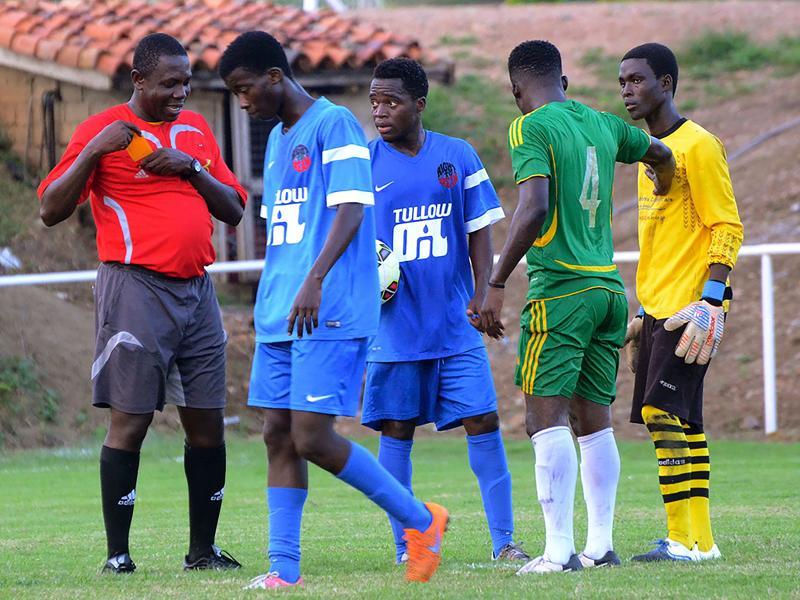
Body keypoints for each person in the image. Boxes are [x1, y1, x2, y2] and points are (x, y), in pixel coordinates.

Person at [219, 31, 448, 589]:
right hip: (282, 311)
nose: (242, 102)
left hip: (331, 308)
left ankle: (423, 521)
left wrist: (314, 280)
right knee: (277, 433)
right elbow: (284, 232)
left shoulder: (336, 123)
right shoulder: (277, 140)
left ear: (275, 76)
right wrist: (271, 295)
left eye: (246, 89)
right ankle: (284, 570)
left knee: (313, 437)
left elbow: (349, 208)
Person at [37, 33, 247, 573]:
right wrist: (92, 151)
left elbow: (234, 211)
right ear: (138, 81)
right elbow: (51, 209)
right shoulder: (103, 131)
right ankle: (118, 556)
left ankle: (202, 552)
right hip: (134, 290)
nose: (182, 92)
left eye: (187, 82)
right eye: (170, 83)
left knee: (207, 425)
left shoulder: (196, 131)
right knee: (129, 423)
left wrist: (191, 170)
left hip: (197, 293)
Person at [478, 40, 675, 574]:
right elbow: (662, 152)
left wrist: (496, 281)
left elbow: (534, 205)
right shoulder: (604, 123)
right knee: (595, 422)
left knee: (544, 420)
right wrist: (661, 178)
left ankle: (558, 551)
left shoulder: (530, 126)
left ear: (516, 88)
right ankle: (601, 545)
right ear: (563, 82)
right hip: (609, 293)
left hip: (561, 291)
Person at [363, 57, 528, 565]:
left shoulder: (456, 156)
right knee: (397, 430)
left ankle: (504, 542)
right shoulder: (364, 163)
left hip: (454, 323)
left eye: (390, 101)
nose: (380, 111)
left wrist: (485, 291)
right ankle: (404, 546)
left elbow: (480, 227)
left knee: (483, 420)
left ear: (419, 104)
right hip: (393, 330)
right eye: (374, 102)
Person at [618, 43, 743, 562]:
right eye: (622, 82)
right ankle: (700, 541)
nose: (628, 91)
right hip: (658, 306)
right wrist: (642, 313)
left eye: (638, 81)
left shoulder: (699, 146)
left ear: (666, 83)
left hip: (693, 305)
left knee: (659, 412)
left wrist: (712, 299)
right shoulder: (648, 153)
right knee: (683, 421)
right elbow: (663, 243)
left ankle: (681, 540)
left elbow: (727, 226)